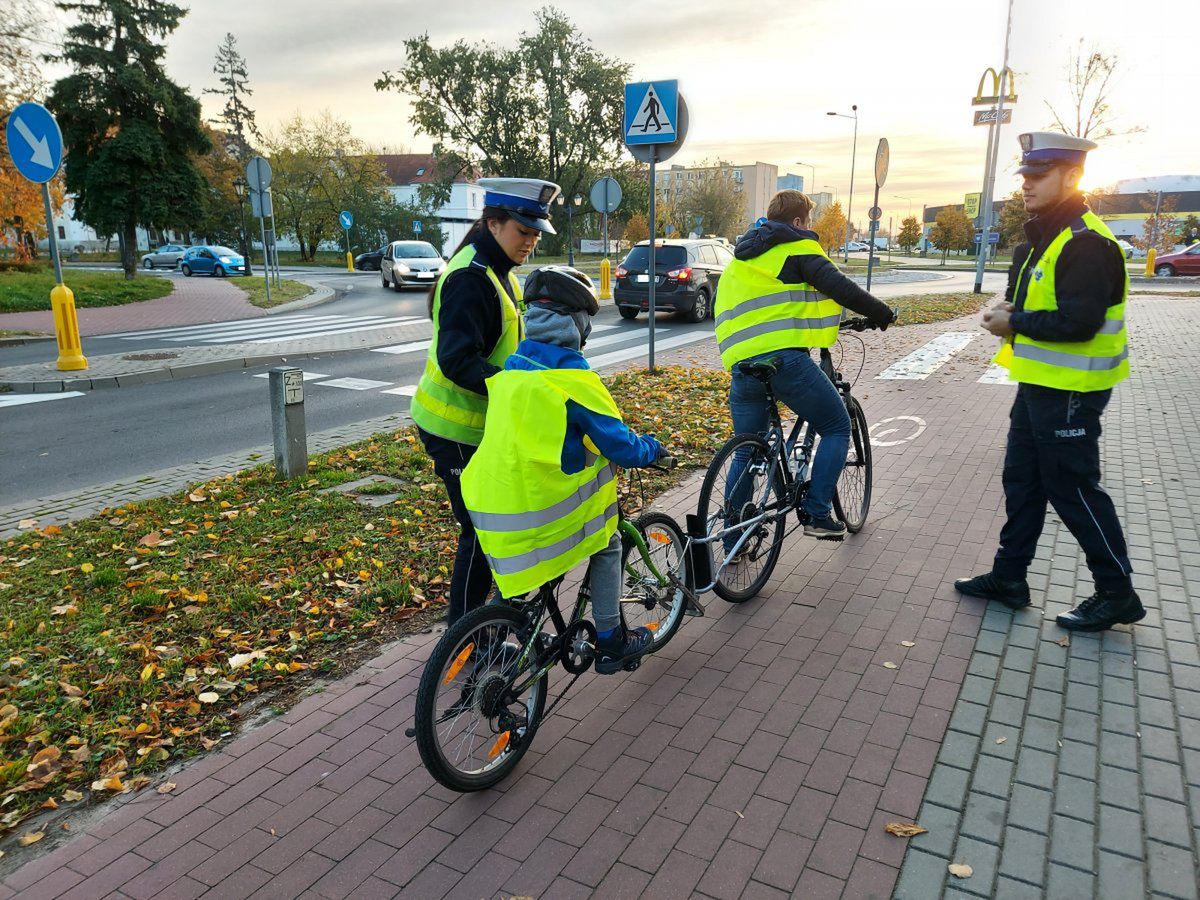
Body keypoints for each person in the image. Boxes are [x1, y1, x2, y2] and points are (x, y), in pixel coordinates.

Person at [955, 131, 1142, 632]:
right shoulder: (1046, 236)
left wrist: (1013, 324)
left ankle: (1117, 592)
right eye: (1024, 176)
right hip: (1039, 386)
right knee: (1023, 480)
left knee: (1073, 490)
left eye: (1038, 176)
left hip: (1072, 392)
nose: (1026, 186)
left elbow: (1079, 323)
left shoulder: (1086, 243)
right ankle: (1009, 578)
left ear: (1073, 176)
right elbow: (1035, 304)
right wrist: (1007, 309)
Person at [460, 266, 667, 674]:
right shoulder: (574, 382)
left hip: (494, 510)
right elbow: (620, 446)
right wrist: (653, 450)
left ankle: (505, 627)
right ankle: (611, 641)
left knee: (519, 576)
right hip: (544, 516)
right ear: (578, 325)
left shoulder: (511, 372)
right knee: (606, 544)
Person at [410, 177, 559, 626]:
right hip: (452, 428)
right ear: (492, 223)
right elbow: (456, 360)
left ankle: (479, 628)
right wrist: (515, 390)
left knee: (490, 529)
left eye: (536, 233)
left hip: (480, 427)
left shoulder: (497, 271)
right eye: (522, 230)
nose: (530, 241)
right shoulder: (471, 279)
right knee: (479, 533)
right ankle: (468, 635)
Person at [713, 190, 896, 541]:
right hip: (784, 360)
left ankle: (732, 533)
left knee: (747, 448)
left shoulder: (740, 259)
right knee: (837, 425)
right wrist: (882, 314)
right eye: (808, 221)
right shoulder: (798, 247)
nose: (809, 227)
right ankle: (816, 512)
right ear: (798, 222)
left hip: (741, 363)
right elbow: (840, 287)